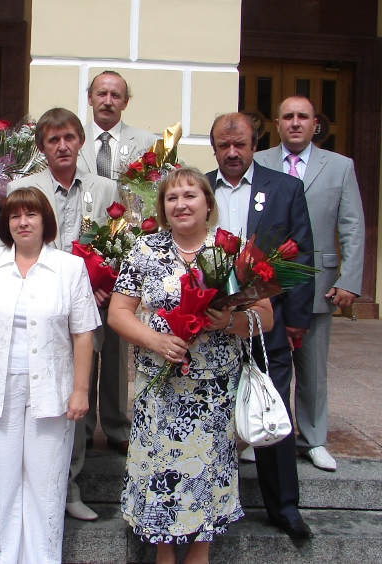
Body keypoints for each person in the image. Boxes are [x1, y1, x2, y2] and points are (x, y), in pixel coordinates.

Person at [109, 167, 274, 564]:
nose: (181, 204)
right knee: (161, 484)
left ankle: (199, 557)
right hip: (160, 392)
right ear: (163, 208)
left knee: (204, 482)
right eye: (172, 198)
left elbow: (265, 318)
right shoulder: (145, 250)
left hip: (212, 394)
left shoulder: (232, 251)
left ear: (208, 203)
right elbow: (118, 313)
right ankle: (164, 557)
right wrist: (155, 340)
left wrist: (229, 322)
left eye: (190, 195)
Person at [0, 187, 99, 564]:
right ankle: (1, 558)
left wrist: (81, 390)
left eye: (31, 215)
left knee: (46, 484)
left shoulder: (70, 267)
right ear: (6, 223)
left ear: (45, 221)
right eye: (15, 216)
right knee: (2, 483)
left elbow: (83, 334)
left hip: (52, 391)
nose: (23, 222)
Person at [206, 112, 316, 539]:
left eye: (241, 144)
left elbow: (301, 257)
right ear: (214, 147)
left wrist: (296, 321)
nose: (232, 153)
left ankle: (284, 506)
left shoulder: (285, 189)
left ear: (255, 144)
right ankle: (211, 503)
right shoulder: (198, 189)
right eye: (223, 145)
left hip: (264, 321)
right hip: (211, 324)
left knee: (273, 411)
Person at [7, 107, 118, 522]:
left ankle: (68, 486)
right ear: (41, 147)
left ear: (81, 141)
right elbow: (12, 245)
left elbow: (117, 245)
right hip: (40, 309)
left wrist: (108, 282)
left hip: (90, 306)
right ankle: (32, 484)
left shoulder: (106, 189)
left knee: (77, 395)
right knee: (38, 394)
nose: (62, 146)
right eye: (53, 140)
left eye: (69, 137)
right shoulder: (24, 187)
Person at [253, 95, 365, 472]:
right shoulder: (259, 161)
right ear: (277, 123)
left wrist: (350, 279)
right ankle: (259, 431)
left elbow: (351, 226)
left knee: (312, 368)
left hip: (317, 282)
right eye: (288, 116)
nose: (295, 123)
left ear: (316, 123)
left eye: (303, 117)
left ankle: (313, 439)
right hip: (263, 282)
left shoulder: (340, 166)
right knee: (263, 363)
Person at [77, 70, 158, 461]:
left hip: (128, 257)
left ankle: (116, 425)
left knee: (118, 348)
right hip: (81, 259)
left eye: (116, 95)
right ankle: (84, 425)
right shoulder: (72, 142)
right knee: (83, 340)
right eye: (101, 93)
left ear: (126, 102)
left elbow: (155, 200)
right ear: (90, 98)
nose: (108, 100)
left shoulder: (147, 144)